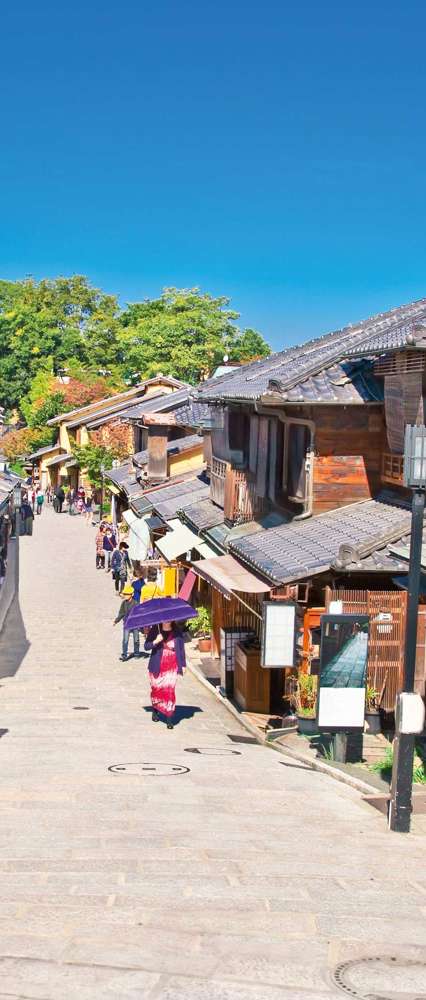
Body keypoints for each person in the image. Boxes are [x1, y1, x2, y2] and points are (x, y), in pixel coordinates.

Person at [144, 621, 186, 730]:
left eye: (169, 618)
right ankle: (155, 710)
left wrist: (183, 665)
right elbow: (146, 646)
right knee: (157, 689)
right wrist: (156, 641)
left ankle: (169, 719)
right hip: (157, 665)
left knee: (169, 691)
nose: (167, 620)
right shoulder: (155, 630)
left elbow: (181, 649)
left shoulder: (177, 631)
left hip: (172, 665)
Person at [113, 584, 140, 661]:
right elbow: (121, 613)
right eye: (125, 594)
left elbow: (139, 613)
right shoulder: (124, 603)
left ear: (132, 594)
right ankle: (124, 654)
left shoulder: (136, 603)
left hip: (135, 623)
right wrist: (116, 620)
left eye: (127, 594)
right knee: (125, 639)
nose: (125, 595)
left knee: (136, 639)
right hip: (127, 623)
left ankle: (136, 653)